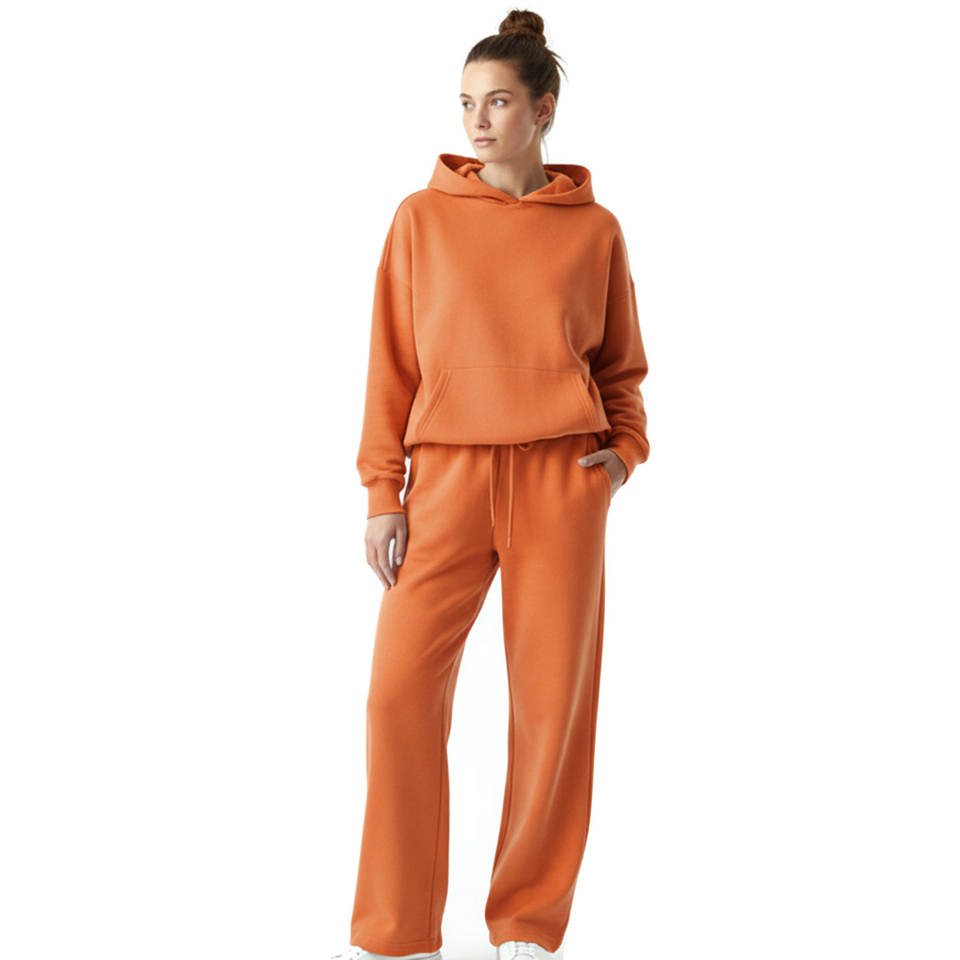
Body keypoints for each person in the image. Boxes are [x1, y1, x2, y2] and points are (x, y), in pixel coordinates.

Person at [332, 10, 650, 960]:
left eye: (498, 102)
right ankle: (396, 932)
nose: (477, 120)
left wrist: (622, 456)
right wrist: (383, 493)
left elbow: (622, 369)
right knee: (397, 697)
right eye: (467, 103)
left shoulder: (594, 230)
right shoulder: (420, 219)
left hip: (562, 479)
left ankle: (526, 928)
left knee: (552, 710)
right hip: (447, 480)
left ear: (543, 110)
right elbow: (391, 365)